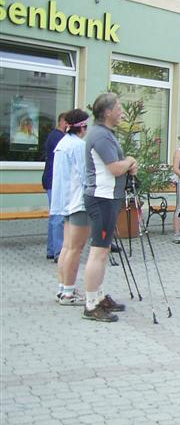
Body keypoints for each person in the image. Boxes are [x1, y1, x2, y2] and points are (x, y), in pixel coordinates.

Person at [82, 93, 136, 322]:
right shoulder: (101, 136)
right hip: (102, 198)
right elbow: (114, 168)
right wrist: (130, 161)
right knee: (99, 251)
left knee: (103, 252)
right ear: (107, 112)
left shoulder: (105, 134)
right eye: (118, 107)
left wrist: (128, 164)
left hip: (108, 198)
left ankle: (100, 296)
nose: (121, 111)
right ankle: (91, 304)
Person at [50, 109, 90, 306]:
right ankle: (68, 293)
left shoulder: (62, 143)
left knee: (67, 247)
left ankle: (63, 288)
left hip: (65, 202)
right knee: (76, 248)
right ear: (82, 127)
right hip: (78, 202)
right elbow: (85, 175)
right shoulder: (78, 146)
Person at [42, 112, 67, 260]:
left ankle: (52, 250)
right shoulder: (59, 137)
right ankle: (58, 252)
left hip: (51, 180)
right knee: (58, 216)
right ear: (63, 122)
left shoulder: (54, 136)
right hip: (54, 181)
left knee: (54, 216)